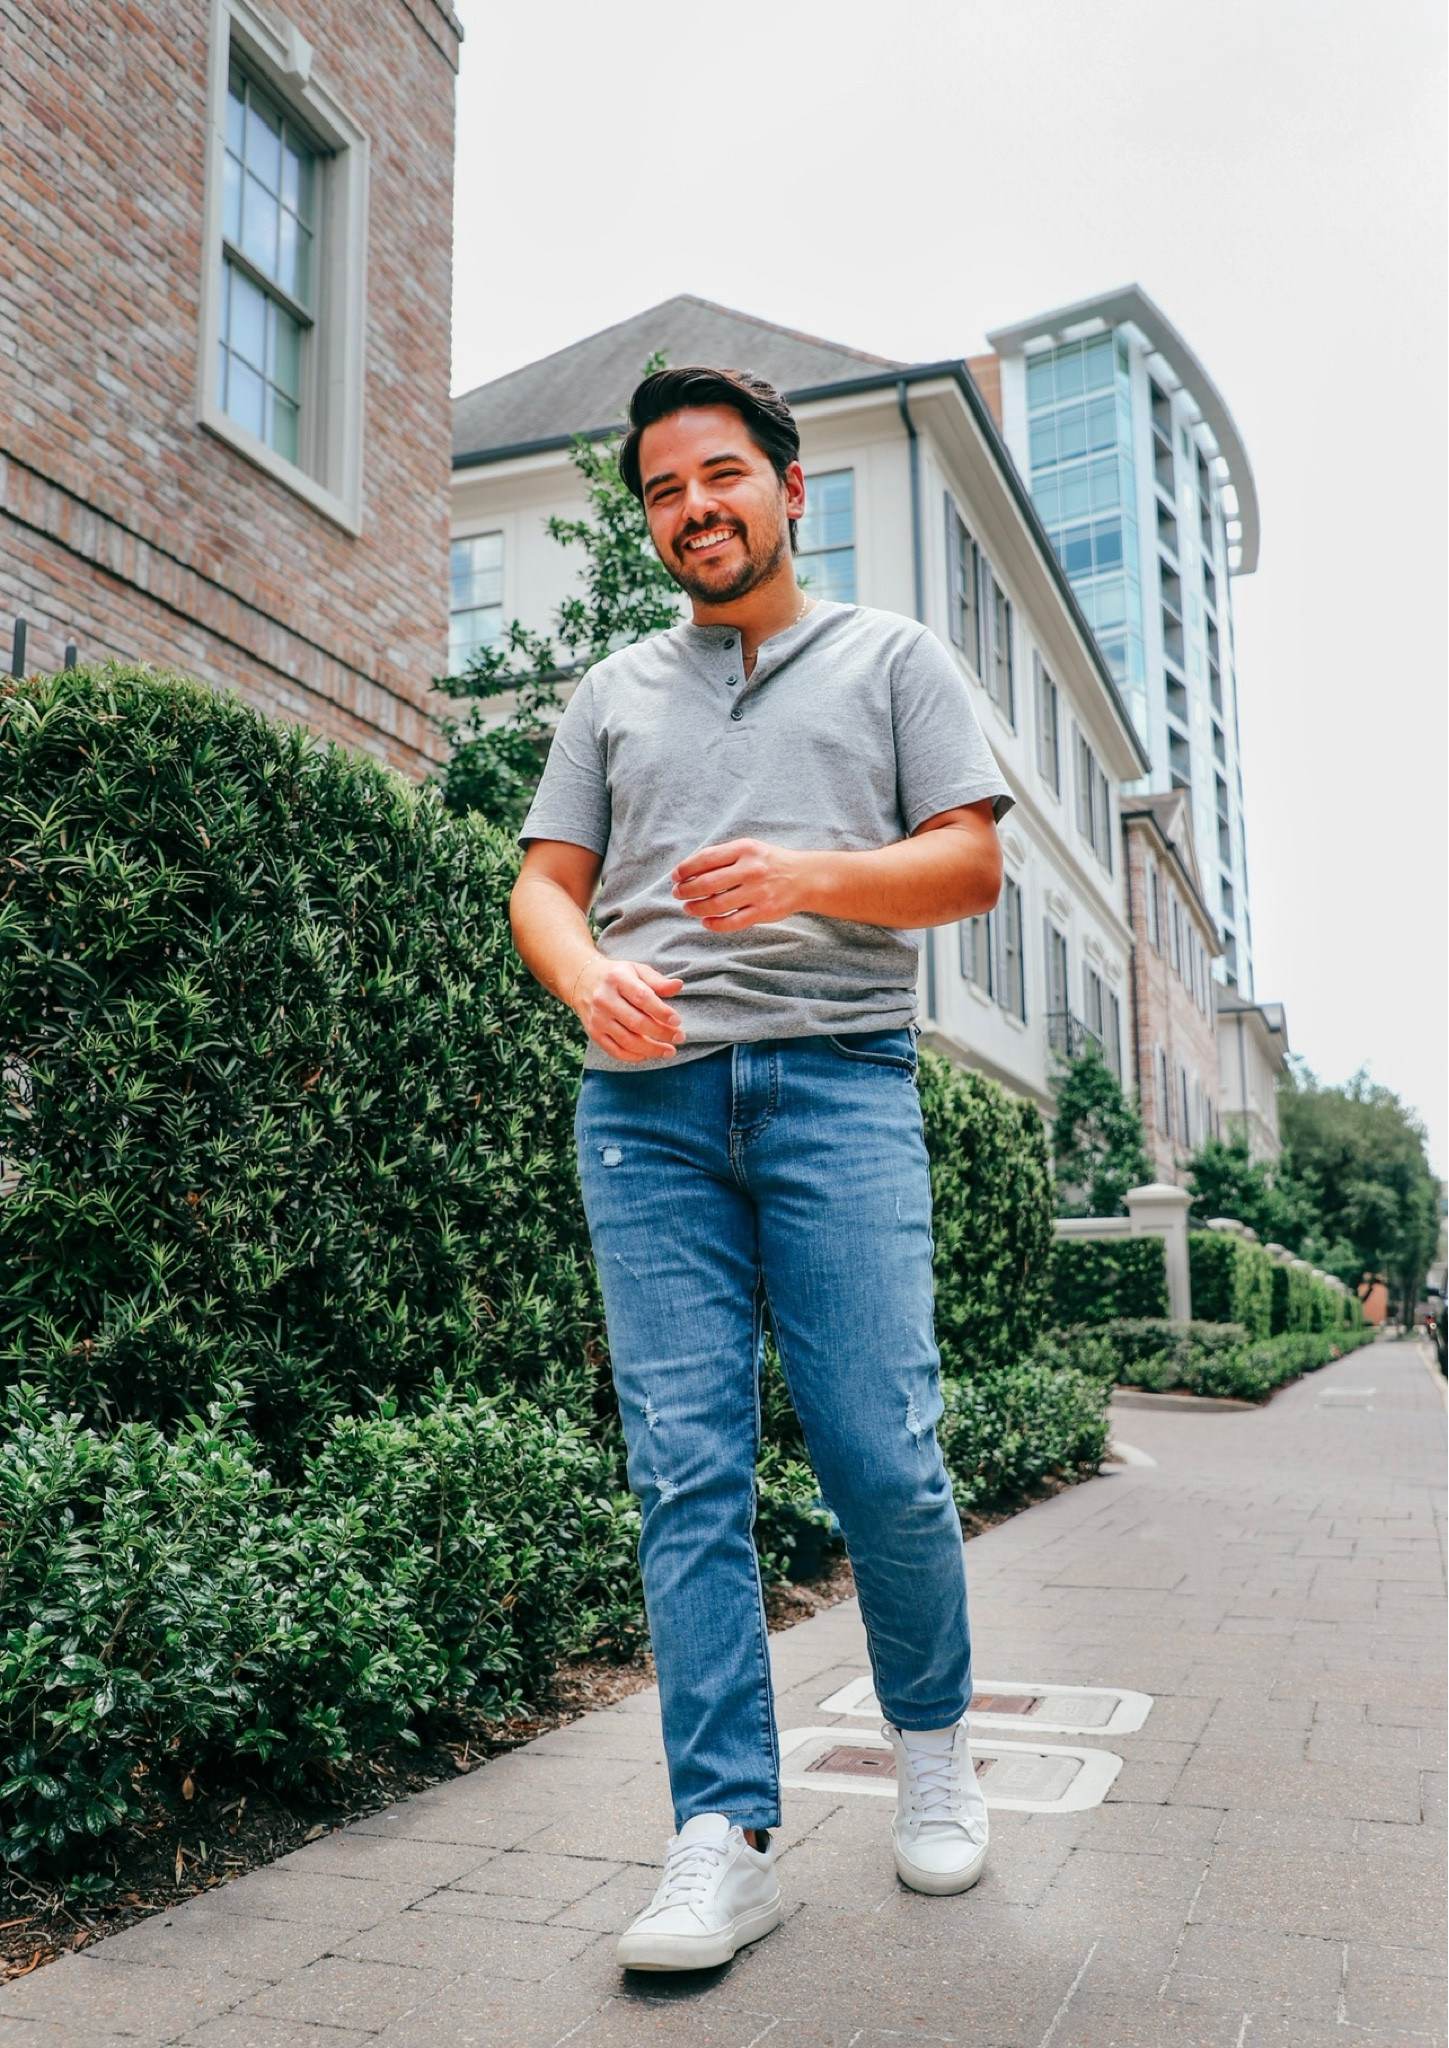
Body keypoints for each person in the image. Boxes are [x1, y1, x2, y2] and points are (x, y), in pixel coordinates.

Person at [510, 365, 1012, 1972]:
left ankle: (932, 1749)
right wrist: (587, 978)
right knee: (686, 1476)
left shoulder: (890, 659)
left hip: (837, 1094)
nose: (692, 510)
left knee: (880, 1455)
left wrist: (807, 874)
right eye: (661, 491)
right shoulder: (611, 692)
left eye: (718, 476)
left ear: (791, 490)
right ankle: (722, 1834)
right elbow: (544, 887)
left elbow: (969, 866)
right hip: (642, 1110)